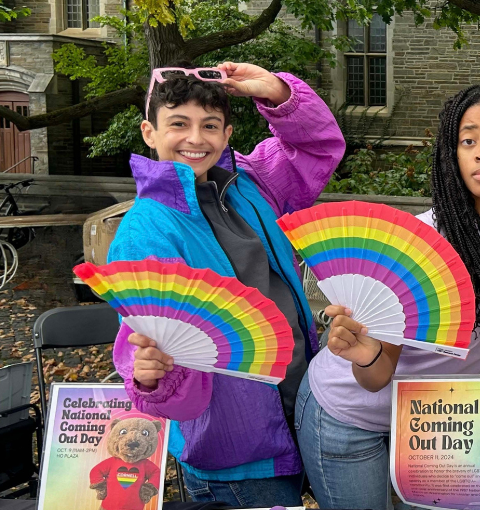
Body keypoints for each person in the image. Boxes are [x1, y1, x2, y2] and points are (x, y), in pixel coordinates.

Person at [295, 84, 480, 510]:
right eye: (468, 140)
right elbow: (376, 375)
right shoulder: (421, 243)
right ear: (451, 155)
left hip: (439, 423)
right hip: (349, 415)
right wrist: (362, 353)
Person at [109, 62, 344, 505]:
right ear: (149, 132)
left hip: (300, 418)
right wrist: (151, 381)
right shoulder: (147, 233)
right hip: (238, 454)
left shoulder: (248, 185)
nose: (196, 139)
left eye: (210, 125)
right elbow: (152, 362)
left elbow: (315, 150)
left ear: (227, 133)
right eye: (179, 124)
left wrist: (276, 90)